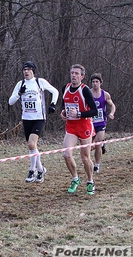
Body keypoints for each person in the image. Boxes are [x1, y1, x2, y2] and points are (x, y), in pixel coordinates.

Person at [9, 61, 59, 183]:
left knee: (31, 143)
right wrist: (19, 94)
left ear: (33, 71)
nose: (26, 71)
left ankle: (32, 170)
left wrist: (53, 104)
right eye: (24, 69)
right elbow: (10, 102)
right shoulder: (20, 84)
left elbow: (55, 91)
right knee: (32, 146)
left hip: (39, 118)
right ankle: (41, 170)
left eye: (28, 69)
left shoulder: (39, 82)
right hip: (26, 118)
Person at [60, 64, 98, 195]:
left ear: (82, 76)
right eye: (72, 73)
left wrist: (80, 114)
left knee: (85, 158)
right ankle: (75, 178)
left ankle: (90, 181)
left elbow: (94, 111)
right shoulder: (65, 88)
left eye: (76, 73)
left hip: (84, 126)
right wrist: (63, 113)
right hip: (71, 127)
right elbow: (63, 105)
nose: (74, 75)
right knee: (66, 154)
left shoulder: (85, 90)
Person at [90, 73, 116, 173]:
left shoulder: (105, 94)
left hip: (101, 122)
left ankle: (96, 165)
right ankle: (100, 147)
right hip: (90, 123)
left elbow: (112, 105)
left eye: (97, 82)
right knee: (89, 146)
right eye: (93, 82)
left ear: (100, 83)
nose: (95, 84)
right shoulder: (88, 93)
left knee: (97, 143)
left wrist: (112, 113)